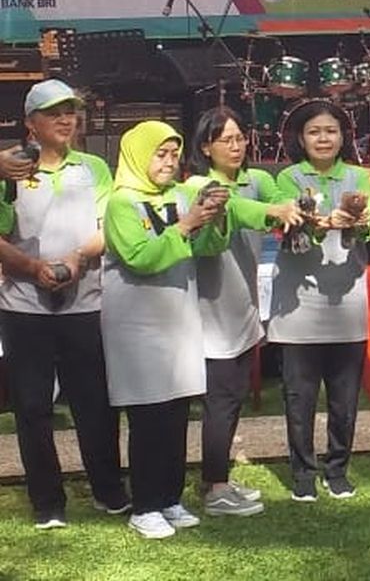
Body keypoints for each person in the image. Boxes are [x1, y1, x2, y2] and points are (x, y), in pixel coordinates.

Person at [0, 79, 128, 529]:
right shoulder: (9, 170)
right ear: (30, 124)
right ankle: (47, 502)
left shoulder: (93, 166)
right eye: (54, 112)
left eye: (70, 110)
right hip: (23, 308)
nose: (65, 119)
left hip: (85, 304)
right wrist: (31, 268)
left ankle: (109, 490)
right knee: (33, 408)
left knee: (95, 403)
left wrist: (77, 257)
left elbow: (106, 225)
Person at [102, 121, 231, 539]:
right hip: (137, 325)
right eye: (160, 154)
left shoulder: (179, 196)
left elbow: (207, 248)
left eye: (174, 154)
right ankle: (144, 505)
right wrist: (188, 224)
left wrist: (213, 218)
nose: (169, 162)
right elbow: (141, 257)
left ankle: (171, 498)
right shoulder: (121, 203)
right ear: (140, 155)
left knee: (178, 412)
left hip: (177, 318)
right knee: (148, 416)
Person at [187, 107, 301, 516]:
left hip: (245, 301)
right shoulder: (201, 186)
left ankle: (216, 478)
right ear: (205, 147)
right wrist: (273, 212)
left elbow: (281, 200)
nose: (236, 147)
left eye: (239, 138)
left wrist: (293, 206)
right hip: (211, 306)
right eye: (225, 140)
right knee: (220, 398)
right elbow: (234, 210)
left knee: (233, 395)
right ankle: (215, 488)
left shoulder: (259, 179)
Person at [269, 99, 370, 503]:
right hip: (299, 304)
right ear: (301, 138)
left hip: (347, 300)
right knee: (299, 397)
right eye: (314, 132)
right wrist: (317, 227)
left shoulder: (358, 177)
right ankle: (302, 473)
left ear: (343, 135)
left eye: (330, 130)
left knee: (345, 397)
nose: (323, 138)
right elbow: (291, 227)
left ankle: (337, 469)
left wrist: (361, 223)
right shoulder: (288, 179)